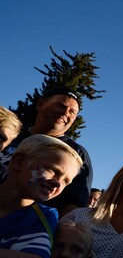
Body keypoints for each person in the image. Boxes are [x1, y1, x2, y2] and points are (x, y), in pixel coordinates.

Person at [0, 87, 93, 217]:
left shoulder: (77, 154)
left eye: (72, 112)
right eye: (60, 105)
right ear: (40, 104)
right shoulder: (10, 134)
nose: (65, 113)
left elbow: (74, 205)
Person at [0, 135, 82, 258]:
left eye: (66, 181)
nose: (58, 184)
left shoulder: (43, 216)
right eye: (53, 170)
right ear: (18, 162)